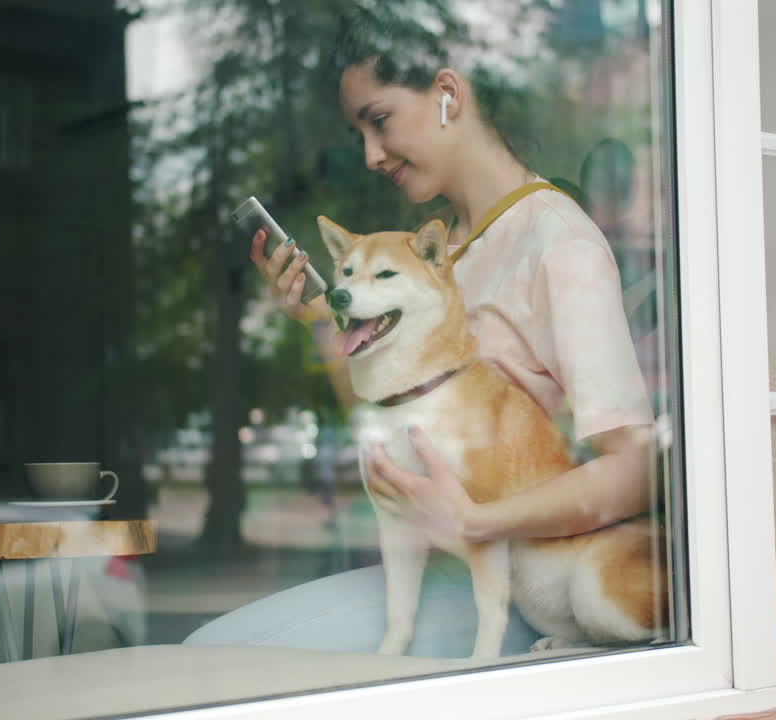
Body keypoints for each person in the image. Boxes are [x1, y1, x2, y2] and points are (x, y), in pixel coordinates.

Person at [185, 17, 657, 658]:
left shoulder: (558, 244)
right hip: (452, 569)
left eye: (378, 120)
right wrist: (321, 324)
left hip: (530, 586)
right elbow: (391, 438)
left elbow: (633, 472)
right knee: (220, 648)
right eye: (359, 132)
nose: (370, 156)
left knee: (227, 653)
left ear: (447, 95)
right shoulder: (435, 254)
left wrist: (476, 518)